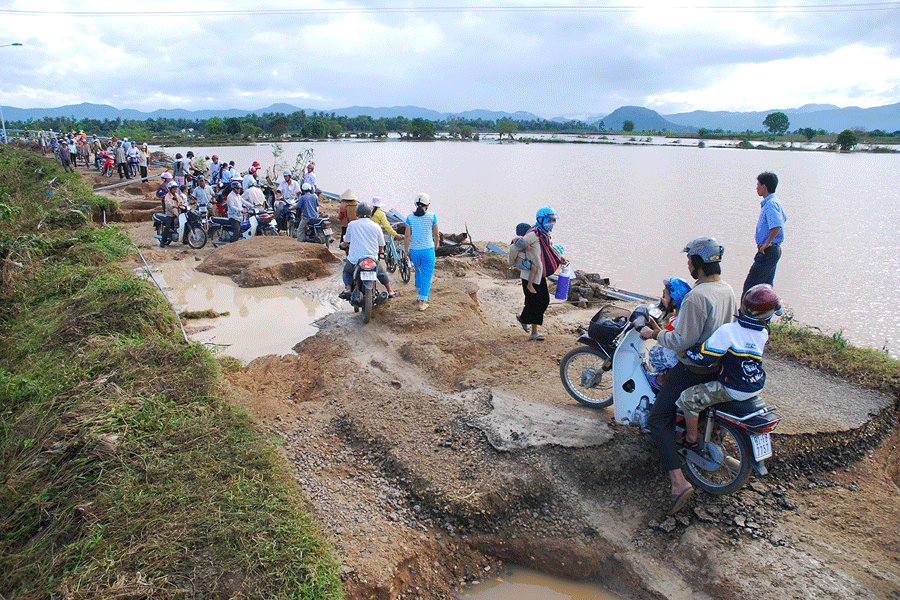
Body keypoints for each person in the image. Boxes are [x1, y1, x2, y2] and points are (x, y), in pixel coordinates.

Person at [639, 236, 737, 515]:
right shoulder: (727, 290)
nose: (688, 265)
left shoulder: (697, 297)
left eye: (689, 260)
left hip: (691, 369)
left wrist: (655, 333)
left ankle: (678, 482)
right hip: (715, 367)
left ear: (697, 262)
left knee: (657, 420)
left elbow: (682, 340)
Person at [676, 284, 780, 455]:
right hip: (755, 385)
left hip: (734, 387)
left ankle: (690, 440)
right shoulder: (763, 334)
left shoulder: (729, 331)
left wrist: (686, 351)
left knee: (687, 399)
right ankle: (717, 431)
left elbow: (704, 358)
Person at [516, 207, 568, 340]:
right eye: (549, 220)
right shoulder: (533, 234)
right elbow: (518, 245)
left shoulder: (544, 234)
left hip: (540, 274)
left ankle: (529, 326)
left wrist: (559, 259)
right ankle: (526, 323)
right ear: (541, 219)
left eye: (553, 220)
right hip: (530, 275)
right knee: (536, 302)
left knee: (543, 301)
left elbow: (548, 251)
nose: (552, 223)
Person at [339, 202, 397, 299]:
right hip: (372, 259)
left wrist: (343, 244)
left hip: (355, 260)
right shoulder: (376, 226)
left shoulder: (352, 224)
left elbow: (346, 241)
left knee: (347, 272)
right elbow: (381, 244)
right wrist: (380, 251)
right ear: (369, 213)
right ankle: (390, 291)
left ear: (357, 213)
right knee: (381, 273)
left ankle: (348, 289)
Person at [743, 172, 786, 296]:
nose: (756, 188)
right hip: (772, 249)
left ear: (764, 186)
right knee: (765, 286)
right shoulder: (774, 202)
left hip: (768, 250)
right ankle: (773, 307)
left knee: (751, 287)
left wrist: (767, 243)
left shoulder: (771, 204)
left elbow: (777, 225)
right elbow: (784, 219)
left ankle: (745, 314)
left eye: (758, 185)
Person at [646, 277, 693, 387]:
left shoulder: (677, 321)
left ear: (674, 299)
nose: (663, 298)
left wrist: (653, 328)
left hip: (674, 357)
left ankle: (660, 379)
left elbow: (666, 338)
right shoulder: (680, 315)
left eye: (665, 295)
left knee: (653, 353)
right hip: (677, 353)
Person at [403, 193, 439, 311]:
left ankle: (420, 293)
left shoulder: (410, 217)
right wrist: (437, 244)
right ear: (427, 205)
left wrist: (406, 250)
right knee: (427, 276)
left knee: (418, 272)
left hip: (415, 251)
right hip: (428, 250)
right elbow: (436, 234)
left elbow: (407, 236)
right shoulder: (432, 216)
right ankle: (421, 302)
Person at [160, 181, 183, 247]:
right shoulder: (167, 196)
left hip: (177, 213)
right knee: (168, 226)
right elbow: (168, 204)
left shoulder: (176, 195)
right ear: (170, 189)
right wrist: (173, 206)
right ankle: (162, 241)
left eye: (176, 189)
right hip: (170, 214)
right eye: (174, 189)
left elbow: (181, 201)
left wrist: (182, 204)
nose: (175, 190)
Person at [337, 189, 359, 254]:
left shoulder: (342, 205)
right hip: (355, 226)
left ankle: (347, 256)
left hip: (345, 225)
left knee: (345, 242)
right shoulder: (357, 204)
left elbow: (340, 217)